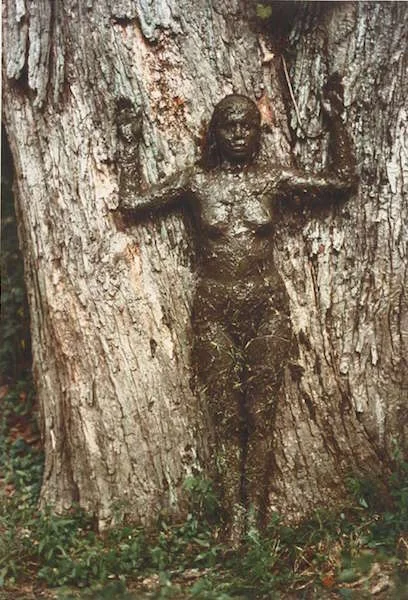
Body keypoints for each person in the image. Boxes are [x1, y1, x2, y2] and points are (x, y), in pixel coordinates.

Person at [119, 78, 356, 532]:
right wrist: (129, 144)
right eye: (229, 126)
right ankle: (232, 521)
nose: (239, 134)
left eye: (248, 125)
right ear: (215, 132)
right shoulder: (196, 180)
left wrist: (336, 121)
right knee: (226, 417)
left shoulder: (272, 178)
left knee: (261, 415)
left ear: (258, 132)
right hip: (214, 307)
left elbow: (341, 182)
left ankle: (255, 522)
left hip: (267, 306)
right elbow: (132, 202)